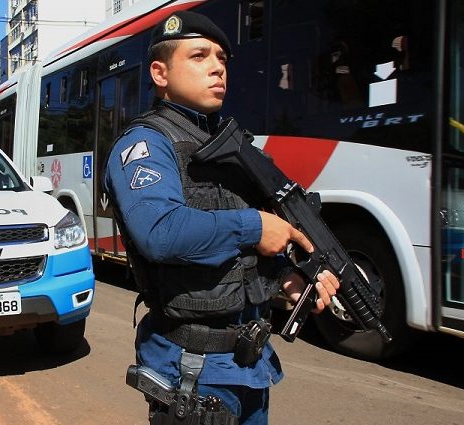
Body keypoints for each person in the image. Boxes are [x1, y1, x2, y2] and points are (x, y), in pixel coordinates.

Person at [102, 11, 340, 424]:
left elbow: (240, 249)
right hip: (191, 370)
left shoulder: (229, 145)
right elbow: (159, 232)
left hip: (249, 365)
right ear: (160, 73)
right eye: (199, 56)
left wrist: (286, 277)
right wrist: (257, 226)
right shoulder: (145, 144)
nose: (216, 67)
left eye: (222, 59)